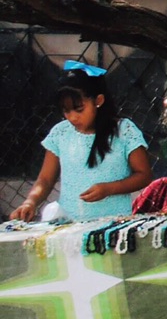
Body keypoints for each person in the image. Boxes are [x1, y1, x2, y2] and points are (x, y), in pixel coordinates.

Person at [11, 63, 152, 222]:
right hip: (68, 225)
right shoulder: (60, 133)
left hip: (112, 225)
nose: (72, 117)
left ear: (98, 101)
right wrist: (31, 202)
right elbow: (45, 179)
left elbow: (144, 175)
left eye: (79, 109)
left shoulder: (124, 131)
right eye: (66, 111)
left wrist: (109, 189)